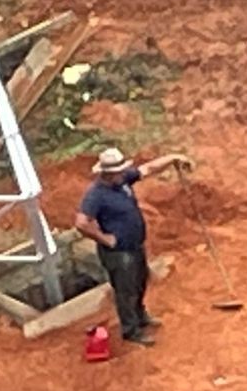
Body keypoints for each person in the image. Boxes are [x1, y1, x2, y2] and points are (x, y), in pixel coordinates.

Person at [74, 146, 193, 347]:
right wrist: (105, 239)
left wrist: (173, 158)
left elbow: (148, 169)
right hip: (119, 253)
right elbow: (81, 222)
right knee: (125, 290)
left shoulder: (122, 181)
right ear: (107, 174)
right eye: (118, 172)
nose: (123, 174)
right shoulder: (96, 194)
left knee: (139, 283)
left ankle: (140, 316)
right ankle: (131, 330)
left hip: (135, 246)